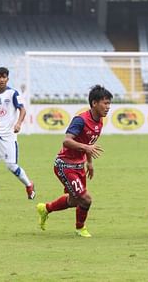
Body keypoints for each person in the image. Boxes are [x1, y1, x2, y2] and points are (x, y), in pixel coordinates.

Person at [36, 85, 113, 238]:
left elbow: (88, 144)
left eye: (109, 103)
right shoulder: (80, 120)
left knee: (74, 201)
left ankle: (45, 208)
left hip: (79, 165)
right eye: (105, 103)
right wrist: (86, 148)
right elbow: (66, 141)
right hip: (65, 165)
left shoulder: (99, 122)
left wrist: (89, 163)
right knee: (86, 199)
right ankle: (80, 228)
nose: (108, 107)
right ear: (94, 103)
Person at [0, 67, 34, 200]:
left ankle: (29, 185)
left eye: (4, 77)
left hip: (8, 136)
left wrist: (19, 123)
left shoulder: (13, 93)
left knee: (11, 166)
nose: (1, 79)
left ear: (7, 79)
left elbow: (23, 110)